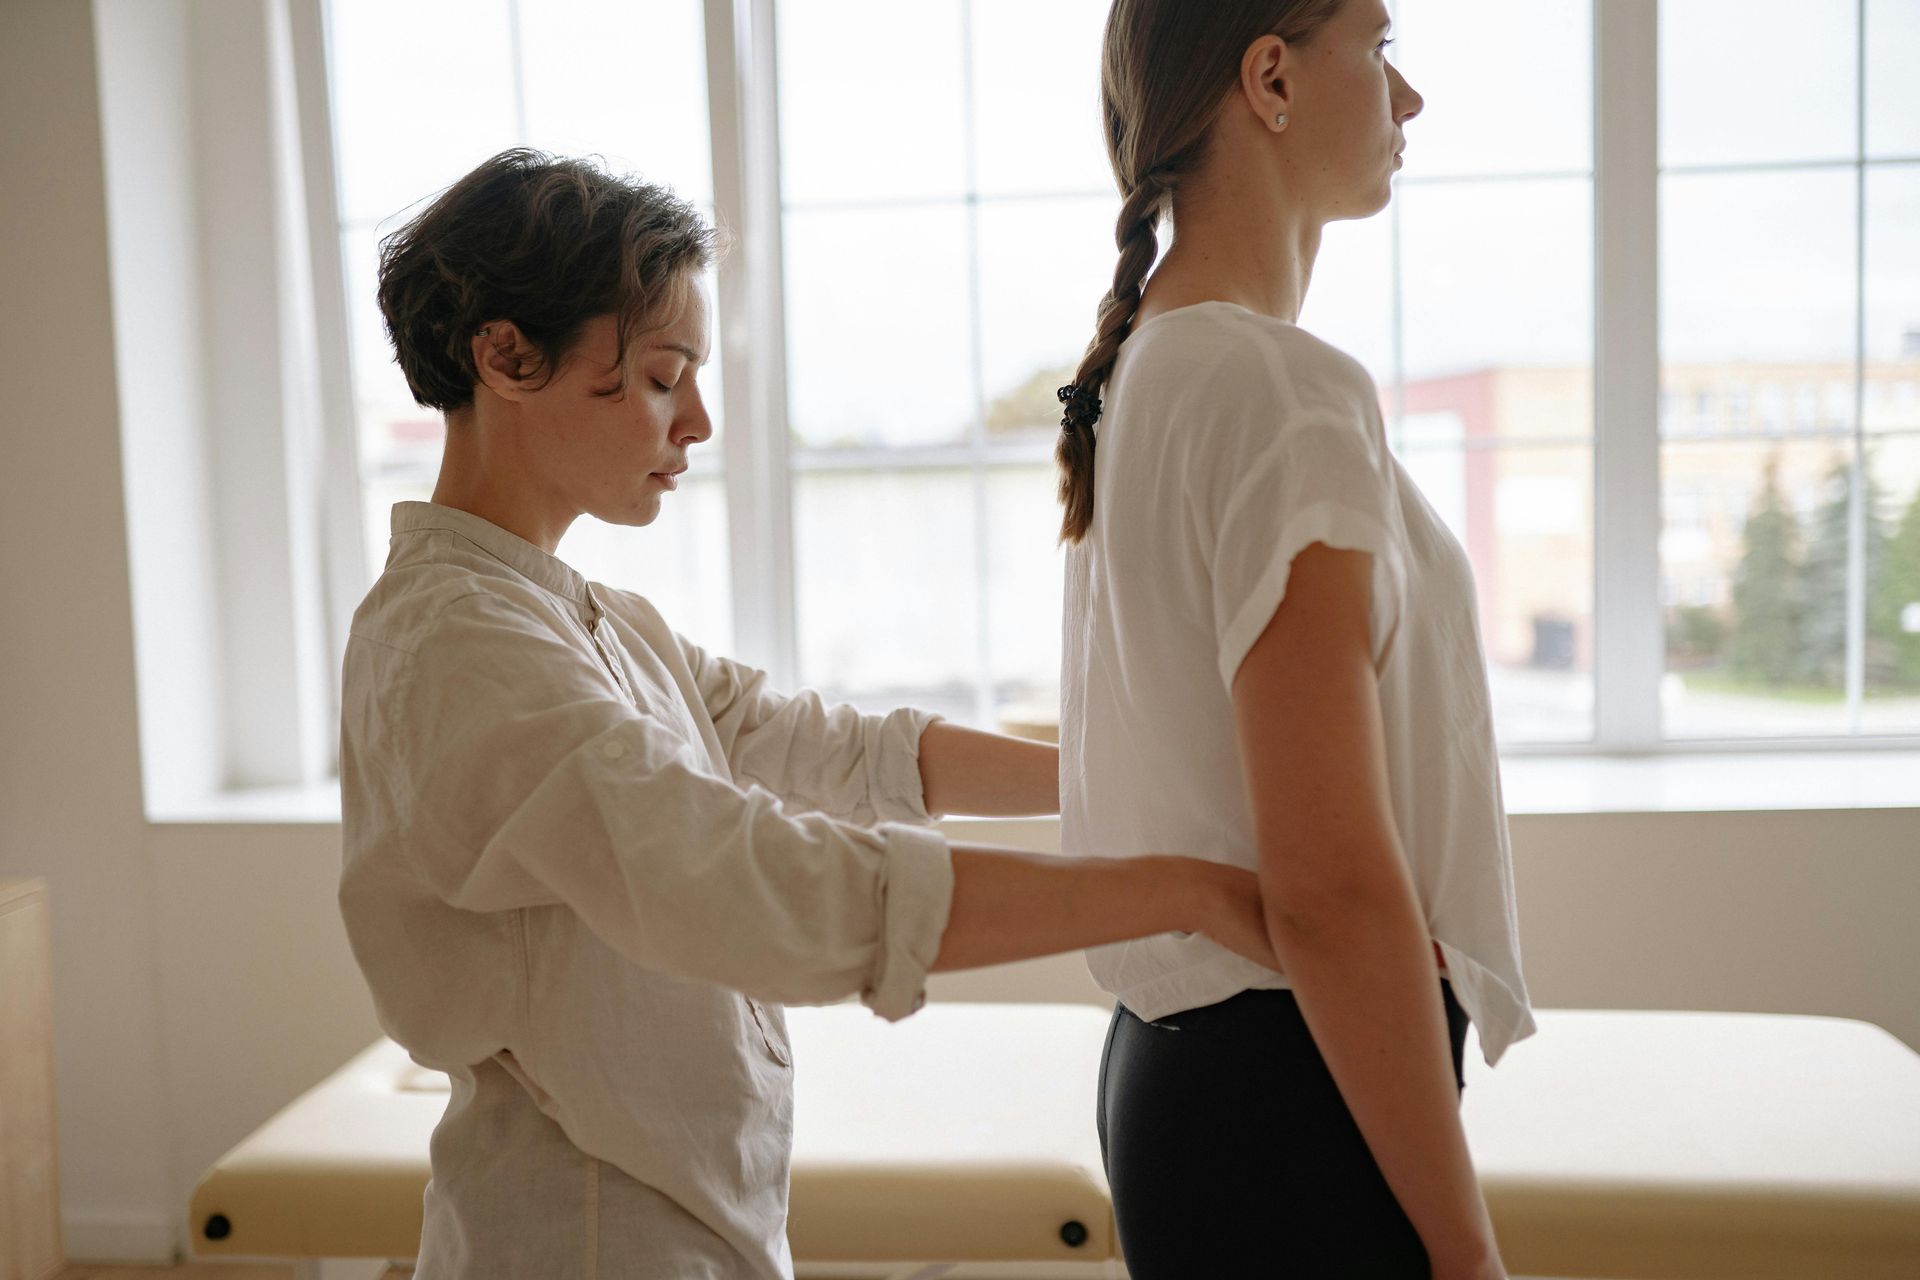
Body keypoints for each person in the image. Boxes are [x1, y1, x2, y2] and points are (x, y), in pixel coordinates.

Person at [337, 148, 1279, 1279]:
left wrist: (1145, 780)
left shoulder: (591, 619)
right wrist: (1187, 886)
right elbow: (741, 877)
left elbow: (834, 749)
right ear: (505, 354)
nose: (698, 420)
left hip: (693, 1223)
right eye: (659, 375)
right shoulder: (457, 647)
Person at [1054, 2, 1538, 1276]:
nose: (1409, 99)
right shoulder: (1281, 389)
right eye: (1379, 49)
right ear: (1268, 77)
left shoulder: (1148, 370)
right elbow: (1325, 886)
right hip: (1294, 1094)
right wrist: (1468, 1247)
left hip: (1176, 1074)